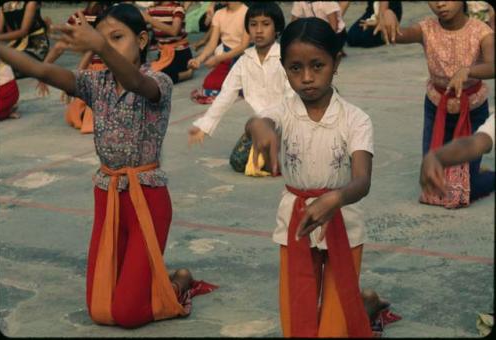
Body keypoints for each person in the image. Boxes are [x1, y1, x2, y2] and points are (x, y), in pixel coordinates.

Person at [0, 3, 208, 328]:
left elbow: (137, 83)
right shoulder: (97, 84)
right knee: (99, 310)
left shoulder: (158, 81)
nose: (109, 45)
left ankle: (178, 282)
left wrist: (98, 45)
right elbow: (39, 71)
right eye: (104, 38)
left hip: (147, 201)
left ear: (141, 41)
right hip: (107, 196)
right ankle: (149, 277)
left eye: (117, 37)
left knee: (127, 314)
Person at [247, 17, 373, 337]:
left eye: (317, 66)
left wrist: (336, 198)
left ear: (336, 62)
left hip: (343, 220)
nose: (306, 78)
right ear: (284, 68)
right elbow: (260, 122)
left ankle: (363, 305)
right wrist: (260, 130)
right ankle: (363, 304)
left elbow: (362, 180)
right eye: (295, 68)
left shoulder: (356, 119)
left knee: (333, 327)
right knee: (297, 322)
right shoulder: (284, 110)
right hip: (296, 221)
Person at [376, 1, 494, 206]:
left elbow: (492, 66)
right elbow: (396, 34)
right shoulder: (426, 28)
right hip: (436, 107)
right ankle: (466, 170)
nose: (440, 3)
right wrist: (387, 14)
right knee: (432, 180)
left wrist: (469, 71)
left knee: (464, 192)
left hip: (473, 110)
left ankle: (486, 175)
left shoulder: (481, 30)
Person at [188, 2, 287, 175]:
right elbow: (226, 94)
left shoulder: (285, 58)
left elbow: (293, 97)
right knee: (238, 161)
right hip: (260, 125)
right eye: (253, 24)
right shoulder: (244, 61)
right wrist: (204, 125)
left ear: (277, 28)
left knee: (294, 161)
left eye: (265, 24)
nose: (258, 30)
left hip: (288, 123)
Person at [36, 2, 111, 134]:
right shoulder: (78, 17)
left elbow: (92, 51)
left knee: (91, 118)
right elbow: (60, 46)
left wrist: (74, 81)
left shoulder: (111, 16)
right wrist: (42, 72)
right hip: (90, 70)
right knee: (75, 116)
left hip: (110, 69)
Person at [188, 1, 250, 104]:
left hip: (243, 58)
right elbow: (212, 44)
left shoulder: (247, 13)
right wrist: (199, 59)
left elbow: (243, 47)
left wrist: (218, 58)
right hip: (226, 58)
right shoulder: (219, 14)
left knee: (241, 88)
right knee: (209, 85)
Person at [420, 113, 495, 198]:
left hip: (474, 111)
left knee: (461, 192)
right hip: (437, 110)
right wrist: (437, 156)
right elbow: (474, 144)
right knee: (434, 187)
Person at [142, 1, 194, 84]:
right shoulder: (151, 10)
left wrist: (150, 19)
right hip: (163, 53)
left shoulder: (177, 9)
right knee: (146, 72)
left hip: (180, 53)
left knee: (161, 76)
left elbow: (174, 31)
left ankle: (186, 74)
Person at [0, 1, 50, 79]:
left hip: (36, 43)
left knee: (7, 68)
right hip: (17, 42)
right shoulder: (3, 7)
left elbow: (23, 32)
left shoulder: (31, 3)